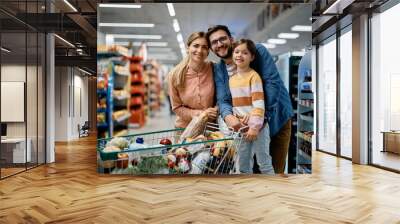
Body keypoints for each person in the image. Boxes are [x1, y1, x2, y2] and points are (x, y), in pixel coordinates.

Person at [206, 25, 293, 174]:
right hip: (245, 128)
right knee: (247, 169)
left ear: (231, 39)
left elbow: (272, 84)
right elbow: (223, 99)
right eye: (214, 42)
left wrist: (257, 120)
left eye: (222, 39)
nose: (219, 44)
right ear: (211, 48)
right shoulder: (220, 70)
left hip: (276, 119)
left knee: (272, 169)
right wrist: (228, 117)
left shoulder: (256, 51)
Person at [229, 39, 274, 174]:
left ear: (252, 57)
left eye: (245, 53)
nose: (239, 55)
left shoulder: (254, 77)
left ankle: (273, 191)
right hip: (241, 129)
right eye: (236, 52)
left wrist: (254, 127)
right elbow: (235, 105)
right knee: (242, 165)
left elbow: (259, 103)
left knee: (264, 163)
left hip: (258, 128)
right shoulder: (231, 79)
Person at [168, 31, 218, 128]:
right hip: (185, 128)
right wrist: (201, 114)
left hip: (211, 129)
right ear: (188, 48)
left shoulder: (214, 68)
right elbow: (176, 107)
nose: (199, 50)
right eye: (196, 46)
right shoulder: (175, 74)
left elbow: (222, 96)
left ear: (208, 51)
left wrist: (216, 109)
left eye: (204, 47)